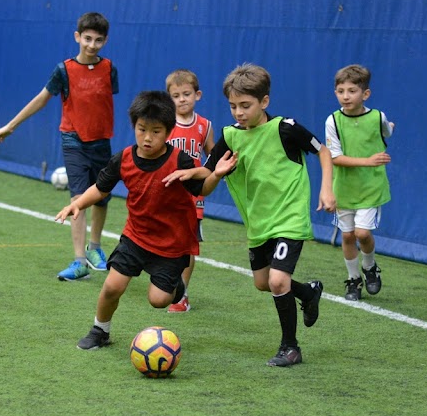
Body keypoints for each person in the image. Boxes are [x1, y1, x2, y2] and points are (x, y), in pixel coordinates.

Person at [166, 64, 335, 367]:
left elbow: (323, 152)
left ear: (264, 102)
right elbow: (209, 168)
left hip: (289, 218)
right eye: (233, 106)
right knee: (263, 282)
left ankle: (290, 347)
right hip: (259, 223)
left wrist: (326, 189)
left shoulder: (287, 128)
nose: (238, 112)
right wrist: (187, 172)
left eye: (246, 105)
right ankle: (308, 292)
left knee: (278, 280)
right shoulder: (231, 136)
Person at [55, 90, 233, 351]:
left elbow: (202, 189)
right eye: (142, 129)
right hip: (136, 237)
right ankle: (100, 330)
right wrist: (77, 204)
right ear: (134, 127)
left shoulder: (179, 160)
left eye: (156, 131)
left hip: (172, 244)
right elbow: (101, 187)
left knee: (159, 300)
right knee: (112, 287)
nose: (148, 137)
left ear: (168, 131)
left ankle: (177, 288)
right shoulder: (124, 158)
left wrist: (216, 175)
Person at [0, 12, 117, 282]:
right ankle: (79, 261)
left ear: (105, 41)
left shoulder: (109, 69)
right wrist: (10, 126)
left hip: (102, 142)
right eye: (87, 38)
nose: (91, 44)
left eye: (98, 40)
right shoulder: (64, 70)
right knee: (78, 200)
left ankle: (94, 247)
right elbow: (41, 99)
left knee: (101, 197)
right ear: (77, 37)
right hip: (73, 140)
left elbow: (104, 104)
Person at [325, 64, 394, 301]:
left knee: (363, 233)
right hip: (344, 190)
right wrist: (368, 160)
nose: (345, 96)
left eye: (352, 90)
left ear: (365, 94)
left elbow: (386, 132)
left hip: (370, 189)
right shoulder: (333, 121)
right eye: (340, 91)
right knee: (347, 236)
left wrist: (389, 129)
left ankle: (370, 267)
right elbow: (335, 158)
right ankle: (353, 280)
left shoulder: (378, 117)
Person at [165, 69, 215, 313]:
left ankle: (181, 294)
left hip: (193, 196)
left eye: (187, 94)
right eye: (176, 95)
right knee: (164, 241)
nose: (182, 99)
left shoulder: (205, 126)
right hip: (166, 194)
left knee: (188, 246)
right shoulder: (163, 125)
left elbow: (213, 160)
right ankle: (166, 283)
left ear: (198, 95)